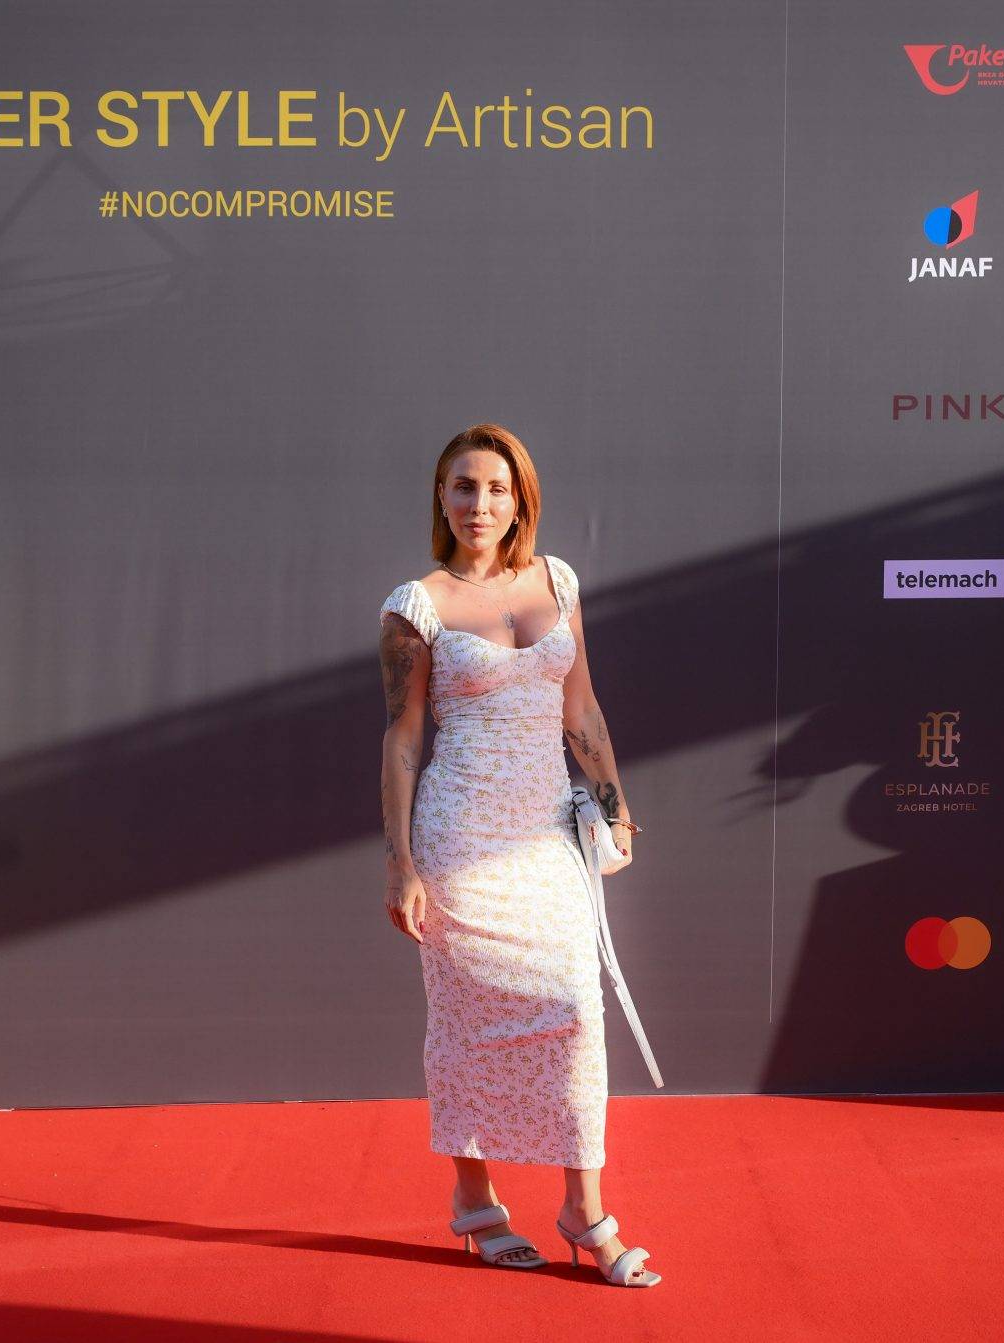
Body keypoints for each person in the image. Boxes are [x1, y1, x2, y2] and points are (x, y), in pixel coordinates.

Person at [377, 423, 660, 1288]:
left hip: (544, 838)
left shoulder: (557, 581)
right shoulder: (415, 606)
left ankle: (583, 1209)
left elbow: (582, 710)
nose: (480, 503)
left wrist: (614, 807)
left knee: (577, 1009)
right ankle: (477, 1201)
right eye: (463, 486)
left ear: (520, 497)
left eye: (496, 487)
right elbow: (403, 739)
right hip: (458, 841)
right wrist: (401, 862)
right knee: (465, 1023)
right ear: (441, 496)